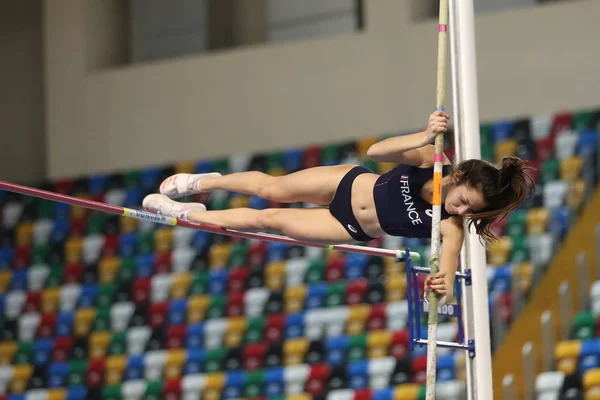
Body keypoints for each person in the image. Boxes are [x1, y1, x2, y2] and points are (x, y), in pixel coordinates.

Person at [143, 111, 535, 304]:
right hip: (346, 181)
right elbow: (376, 151)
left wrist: (443, 286)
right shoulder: (433, 162)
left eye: (470, 212)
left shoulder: (448, 226)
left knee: (269, 219)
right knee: (269, 187)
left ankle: (188, 214)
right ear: (459, 175)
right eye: (465, 200)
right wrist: (426, 134)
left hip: (347, 225)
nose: (461, 211)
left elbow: (447, 269)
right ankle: (204, 182)